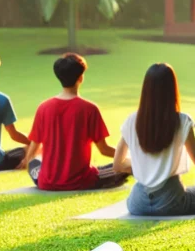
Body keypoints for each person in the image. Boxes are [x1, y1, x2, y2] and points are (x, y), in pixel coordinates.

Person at [113, 63, 195, 216]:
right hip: (171, 202)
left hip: (137, 204)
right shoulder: (182, 121)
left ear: (146, 90)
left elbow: (117, 165)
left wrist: (142, 164)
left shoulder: (131, 120)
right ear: (171, 90)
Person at [18, 53, 129, 190]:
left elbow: (31, 153)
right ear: (81, 77)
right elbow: (104, 150)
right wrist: (130, 156)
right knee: (126, 167)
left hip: (46, 182)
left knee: (35, 164)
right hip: (80, 182)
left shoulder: (43, 108)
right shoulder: (89, 109)